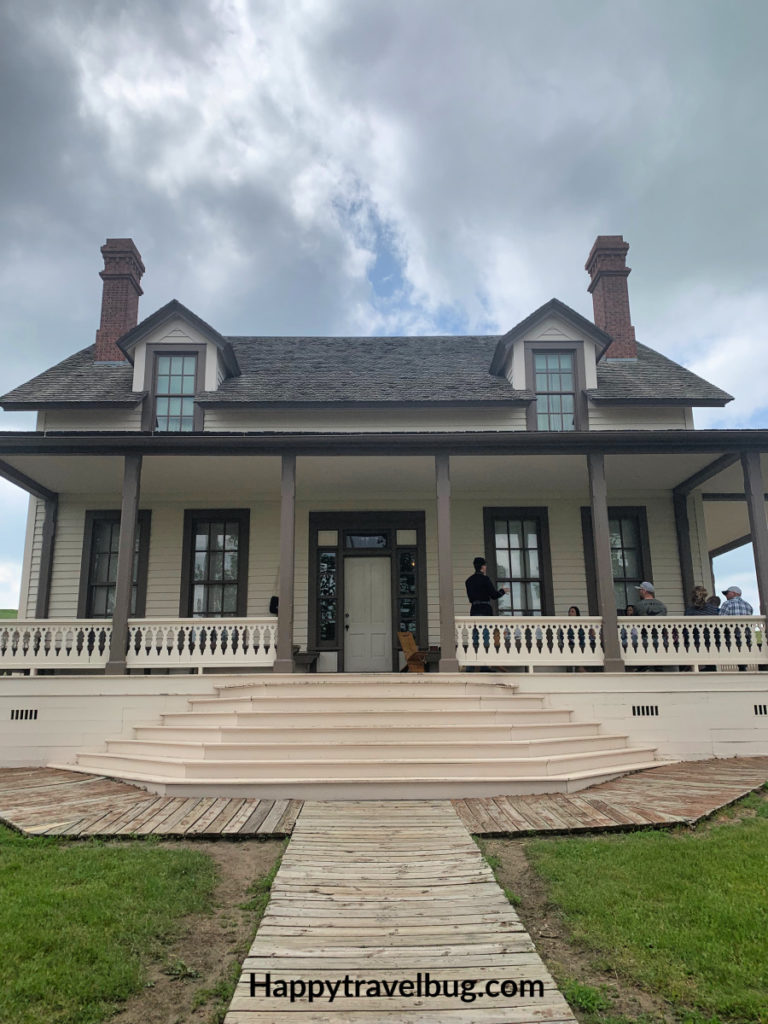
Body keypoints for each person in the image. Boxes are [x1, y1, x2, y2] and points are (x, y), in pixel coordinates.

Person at [465, 557, 506, 671]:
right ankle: (483, 666)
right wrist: (503, 591)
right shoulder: (485, 579)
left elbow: (470, 599)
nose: (486, 567)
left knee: (475, 639)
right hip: (485, 611)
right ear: (482, 567)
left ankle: (470, 667)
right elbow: (493, 595)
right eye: (485, 565)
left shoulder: (468, 581)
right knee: (485, 639)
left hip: (474, 611)